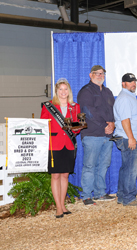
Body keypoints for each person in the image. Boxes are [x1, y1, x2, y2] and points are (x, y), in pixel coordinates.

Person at [40, 78, 81, 218]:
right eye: (60, 89)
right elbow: (43, 125)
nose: (63, 92)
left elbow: (76, 128)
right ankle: (58, 206)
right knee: (55, 175)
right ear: (57, 91)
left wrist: (77, 128)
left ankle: (63, 205)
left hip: (69, 144)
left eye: (65, 89)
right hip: (54, 145)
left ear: (69, 91)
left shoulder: (75, 107)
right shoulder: (48, 106)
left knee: (65, 175)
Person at [77, 65, 115, 205]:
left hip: (107, 135)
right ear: (90, 75)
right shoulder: (86, 91)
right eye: (96, 73)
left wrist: (113, 124)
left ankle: (100, 193)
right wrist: (106, 125)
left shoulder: (107, 92)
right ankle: (86, 195)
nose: (100, 75)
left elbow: (113, 110)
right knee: (90, 166)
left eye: (102, 73)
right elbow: (88, 112)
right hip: (92, 134)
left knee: (103, 165)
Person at [113, 73, 137, 206]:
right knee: (131, 169)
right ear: (123, 83)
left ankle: (122, 196)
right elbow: (125, 120)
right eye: (130, 82)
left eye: (134, 82)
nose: (133, 84)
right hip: (130, 138)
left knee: (126, 168)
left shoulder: (129, 97)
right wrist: (131, 138)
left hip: (130, 137)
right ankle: (129, 198)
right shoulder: (125, 98)